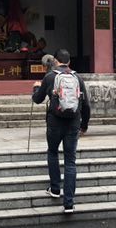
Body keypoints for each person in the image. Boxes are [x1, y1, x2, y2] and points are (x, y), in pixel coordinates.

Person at [32, 49, 91, 214]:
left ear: (55, 61)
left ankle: (55, 189)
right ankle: (69, 203)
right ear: (69, 62)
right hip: (73, 122)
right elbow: (86, 105)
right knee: (70, 161)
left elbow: (38, 99)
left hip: (54, 122)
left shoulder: (50, 76)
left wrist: (35, 89)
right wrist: (84, 125)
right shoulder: (77, 77)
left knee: (52, 152)